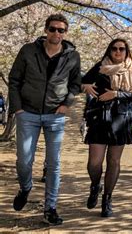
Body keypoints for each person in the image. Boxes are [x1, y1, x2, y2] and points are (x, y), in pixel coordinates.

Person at [8, 14, 81, 225]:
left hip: (55, 115)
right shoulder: (28, 51)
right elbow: (14, 80)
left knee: (54, 163)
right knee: (24, 161)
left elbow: (75, 83)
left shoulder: (72, 56)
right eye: (52, 29)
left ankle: (50, 208)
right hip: (27, 113)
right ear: (46, 30)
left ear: (65, 33)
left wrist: (66, 104)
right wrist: (18, 109)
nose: (56, 33)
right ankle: (25, 188)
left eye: (61, 30)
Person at [81, 38, 132, 217]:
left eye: (121, 49)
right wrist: (85, 85)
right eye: (114, 48)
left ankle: (107, 199)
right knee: (94, 163)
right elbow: (83, 80)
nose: (118, 52)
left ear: (126, 51)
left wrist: (116, 93)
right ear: (109, 50)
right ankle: (95, 185)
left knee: (114, 162)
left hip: (121, 119)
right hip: (99, 117)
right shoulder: (100, 66)